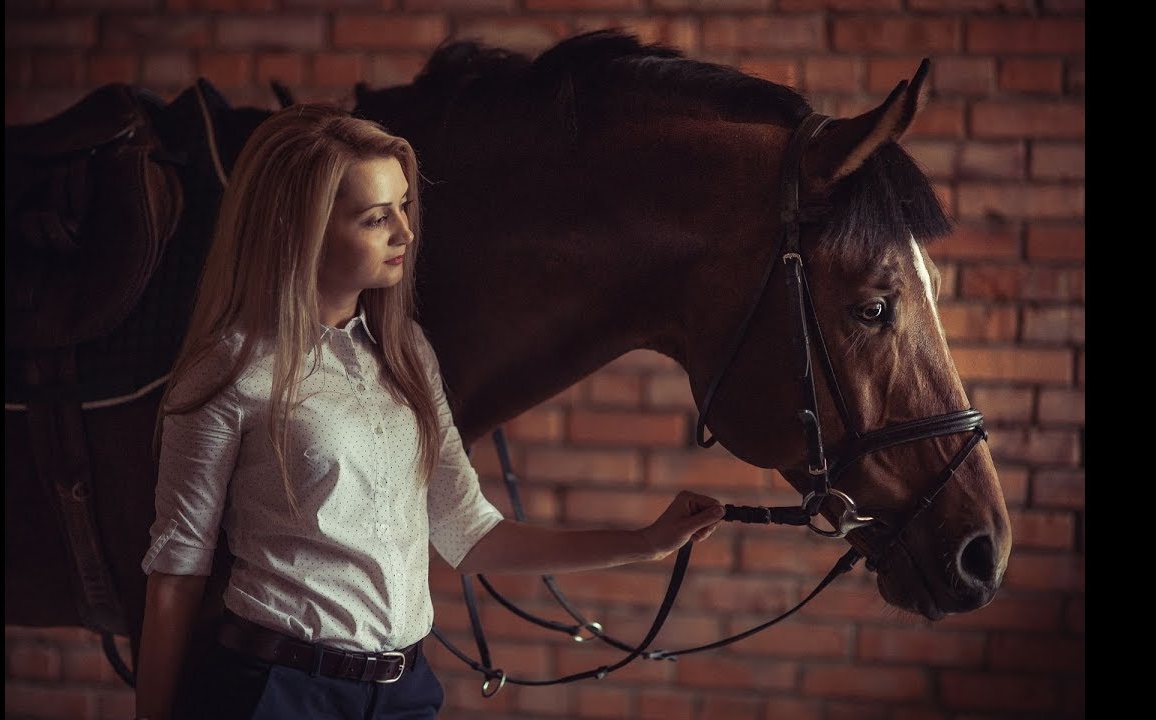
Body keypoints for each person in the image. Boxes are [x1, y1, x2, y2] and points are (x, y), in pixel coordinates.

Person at [133, 102, 726, 720]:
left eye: (404, 206)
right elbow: (177, 570)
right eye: (375, 217)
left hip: (404, 694)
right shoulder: (230, 370)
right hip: (277, 692)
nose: (405, 233)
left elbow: (469, 535)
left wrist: (647, 543)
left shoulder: (407, 351)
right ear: (300, 228)